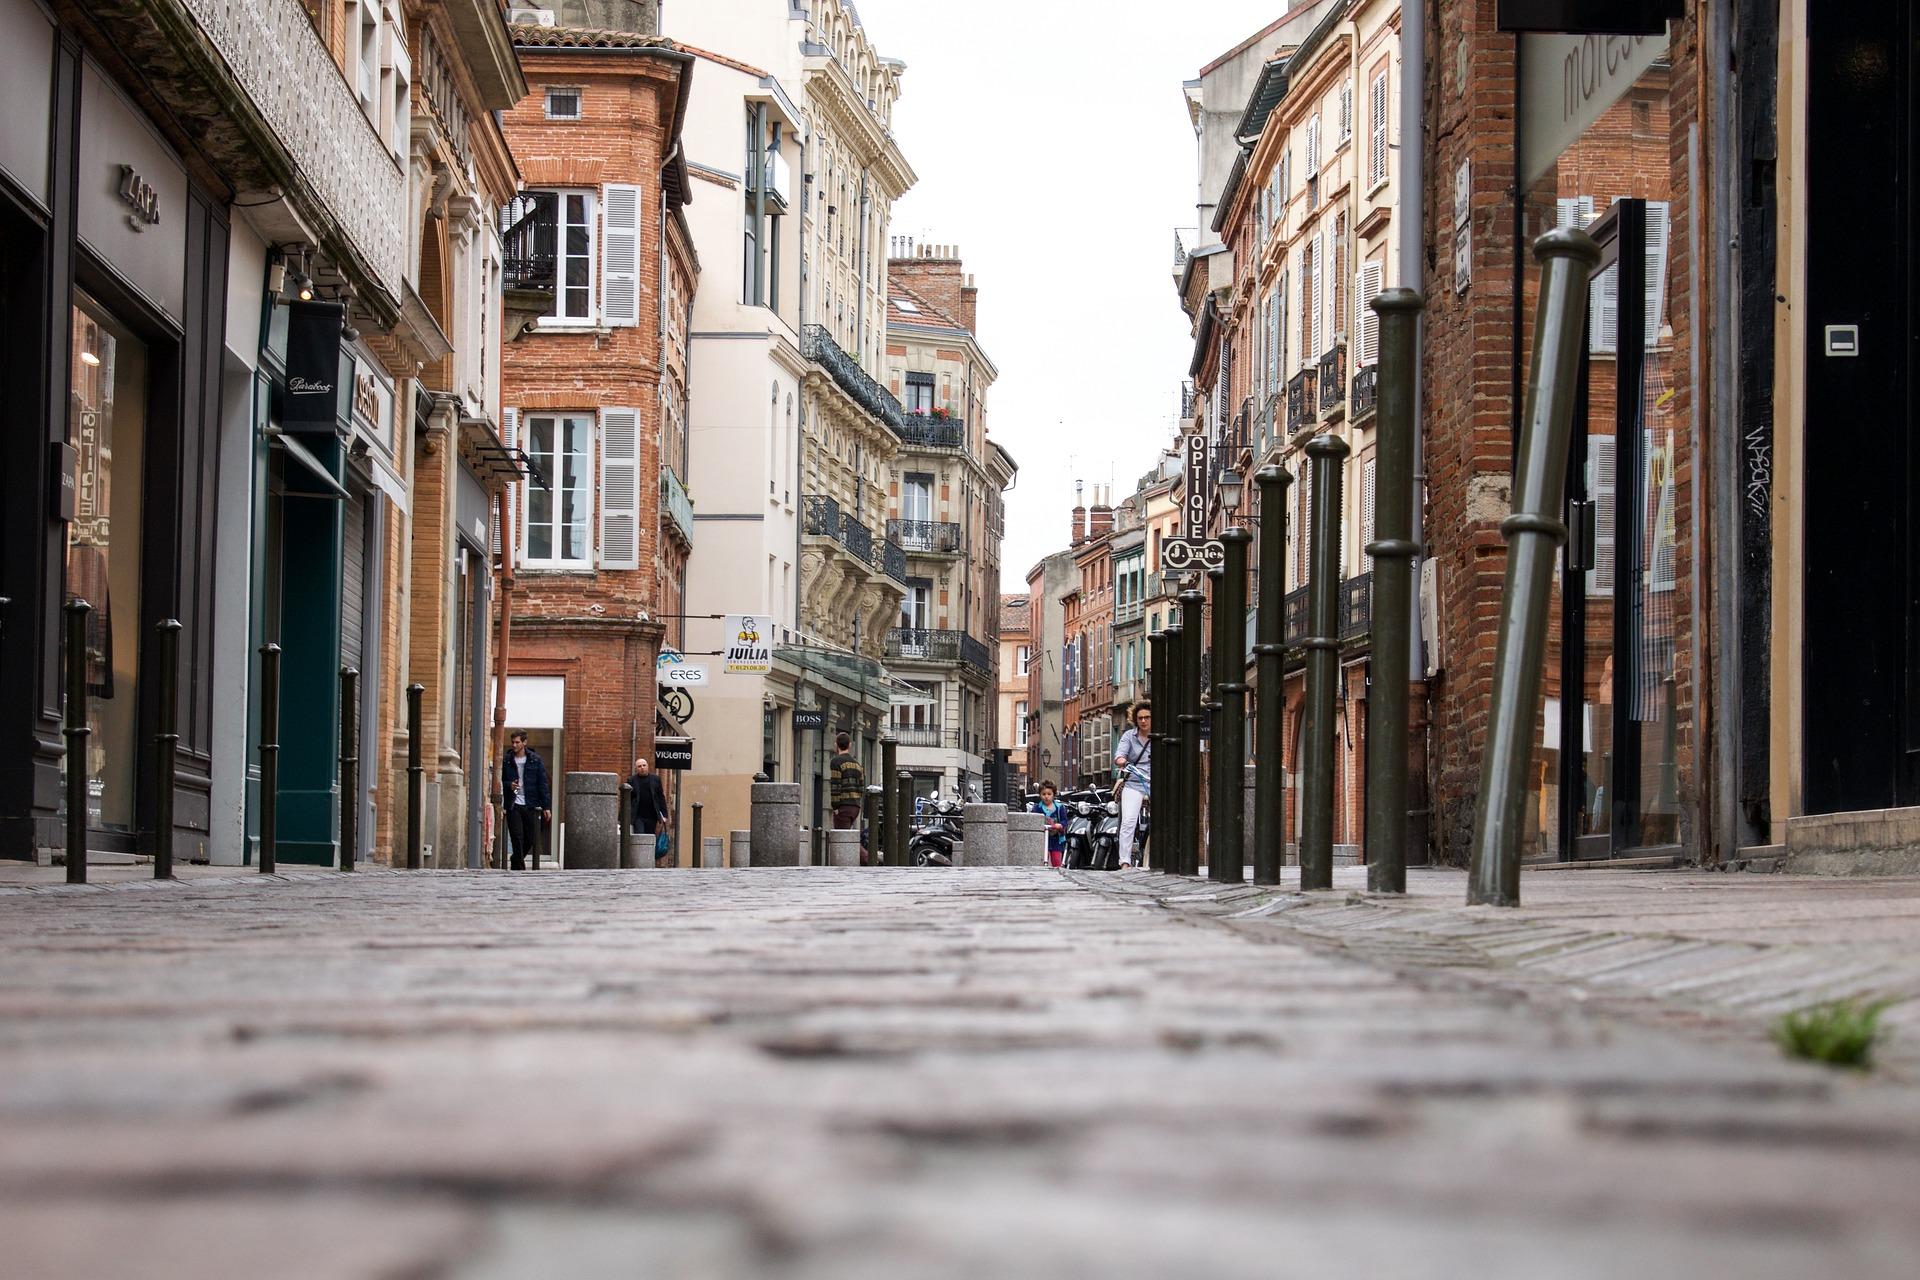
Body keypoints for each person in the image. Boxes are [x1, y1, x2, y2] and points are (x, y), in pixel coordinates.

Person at [502, 731, 550, 871]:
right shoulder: (507, 760)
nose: (514, 745)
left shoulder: (535, 760)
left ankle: (516, 859)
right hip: (514, 803)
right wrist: (509, 785)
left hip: (530, 804)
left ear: (524, 742)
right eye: (513, 742)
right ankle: (520, 870)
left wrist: (546, 806)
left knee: (530, 837)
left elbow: (543, 784)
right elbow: (501, 781)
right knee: (517, 837)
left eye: (517, 742)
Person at [1113, 702, 1152, 868]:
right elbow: (1119, 755)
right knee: (1128, 821)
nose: (1143, 721)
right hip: (1135, 781)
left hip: (1156, 782)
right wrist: (1123, 761)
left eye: (1147, 717)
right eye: (1140, 718)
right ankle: (1125, 861)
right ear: (1135, 720)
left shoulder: (1159, 734)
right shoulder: (1129, 736)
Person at [628, 756, 670, 867]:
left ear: (647, 766)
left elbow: (661, 797)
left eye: (644, 765)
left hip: (652, 815)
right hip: (638, 816)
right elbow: (627, 800)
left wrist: (664, 814)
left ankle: (648, 861)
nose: (642, 768)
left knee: (650, 837)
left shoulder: (655, 779)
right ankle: (639, 863)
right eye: (639, 766)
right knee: (640, 836)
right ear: (636, 768)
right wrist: (622, 818)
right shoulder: (631, 780)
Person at [828, 732, 865, 831]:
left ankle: (869, 848)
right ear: (850, 745)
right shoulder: (857, 764)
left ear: (836, 745)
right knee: (847, 838)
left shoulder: (836, 762)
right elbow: (861, 788)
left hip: (843, 806)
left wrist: (835, 807)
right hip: (855, 807)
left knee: (842, 840)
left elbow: (836, 785)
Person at [1031, 781, 1069, 869]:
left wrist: (1060, 825)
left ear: (1053, 795)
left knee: (1056, 860)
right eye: (1043, 794)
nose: (1046, 797)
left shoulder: (1059, 808)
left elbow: (1064, 821)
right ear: (1040, 795)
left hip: (1056, 839)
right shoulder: (1037, 808)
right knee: (1043, 859)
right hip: (1042, 839)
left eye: (1049, 794)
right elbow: (1033, 820)